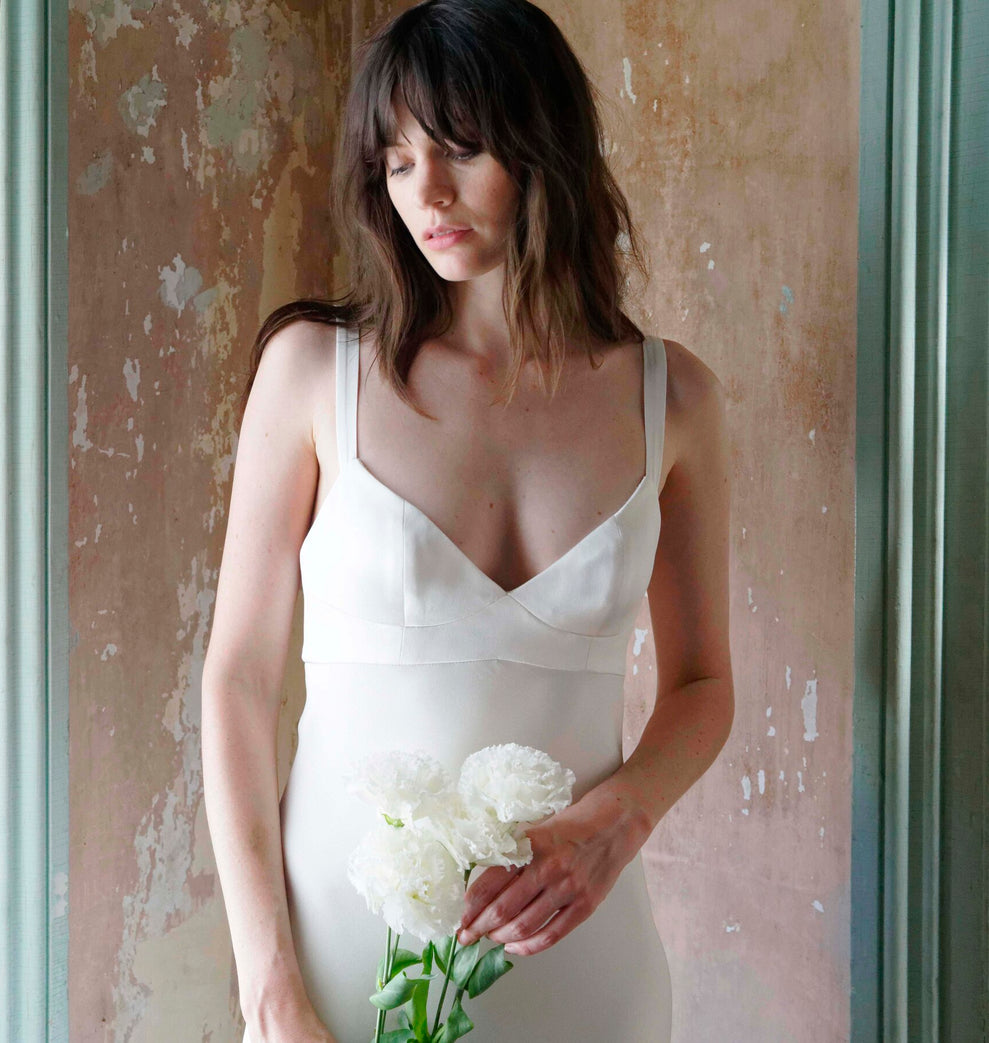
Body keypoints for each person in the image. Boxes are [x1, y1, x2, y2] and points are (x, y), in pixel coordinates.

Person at [201, 1, 734, 1039]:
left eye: (456, 150)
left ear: (542, 148)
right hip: (337, 956)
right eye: (395, 160)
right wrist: (266, 979)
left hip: (578, 952)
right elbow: (237, 678)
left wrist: (611, 821)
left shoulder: (677, 403)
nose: (425, 193)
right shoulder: (315, 372)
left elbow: (703, 682)